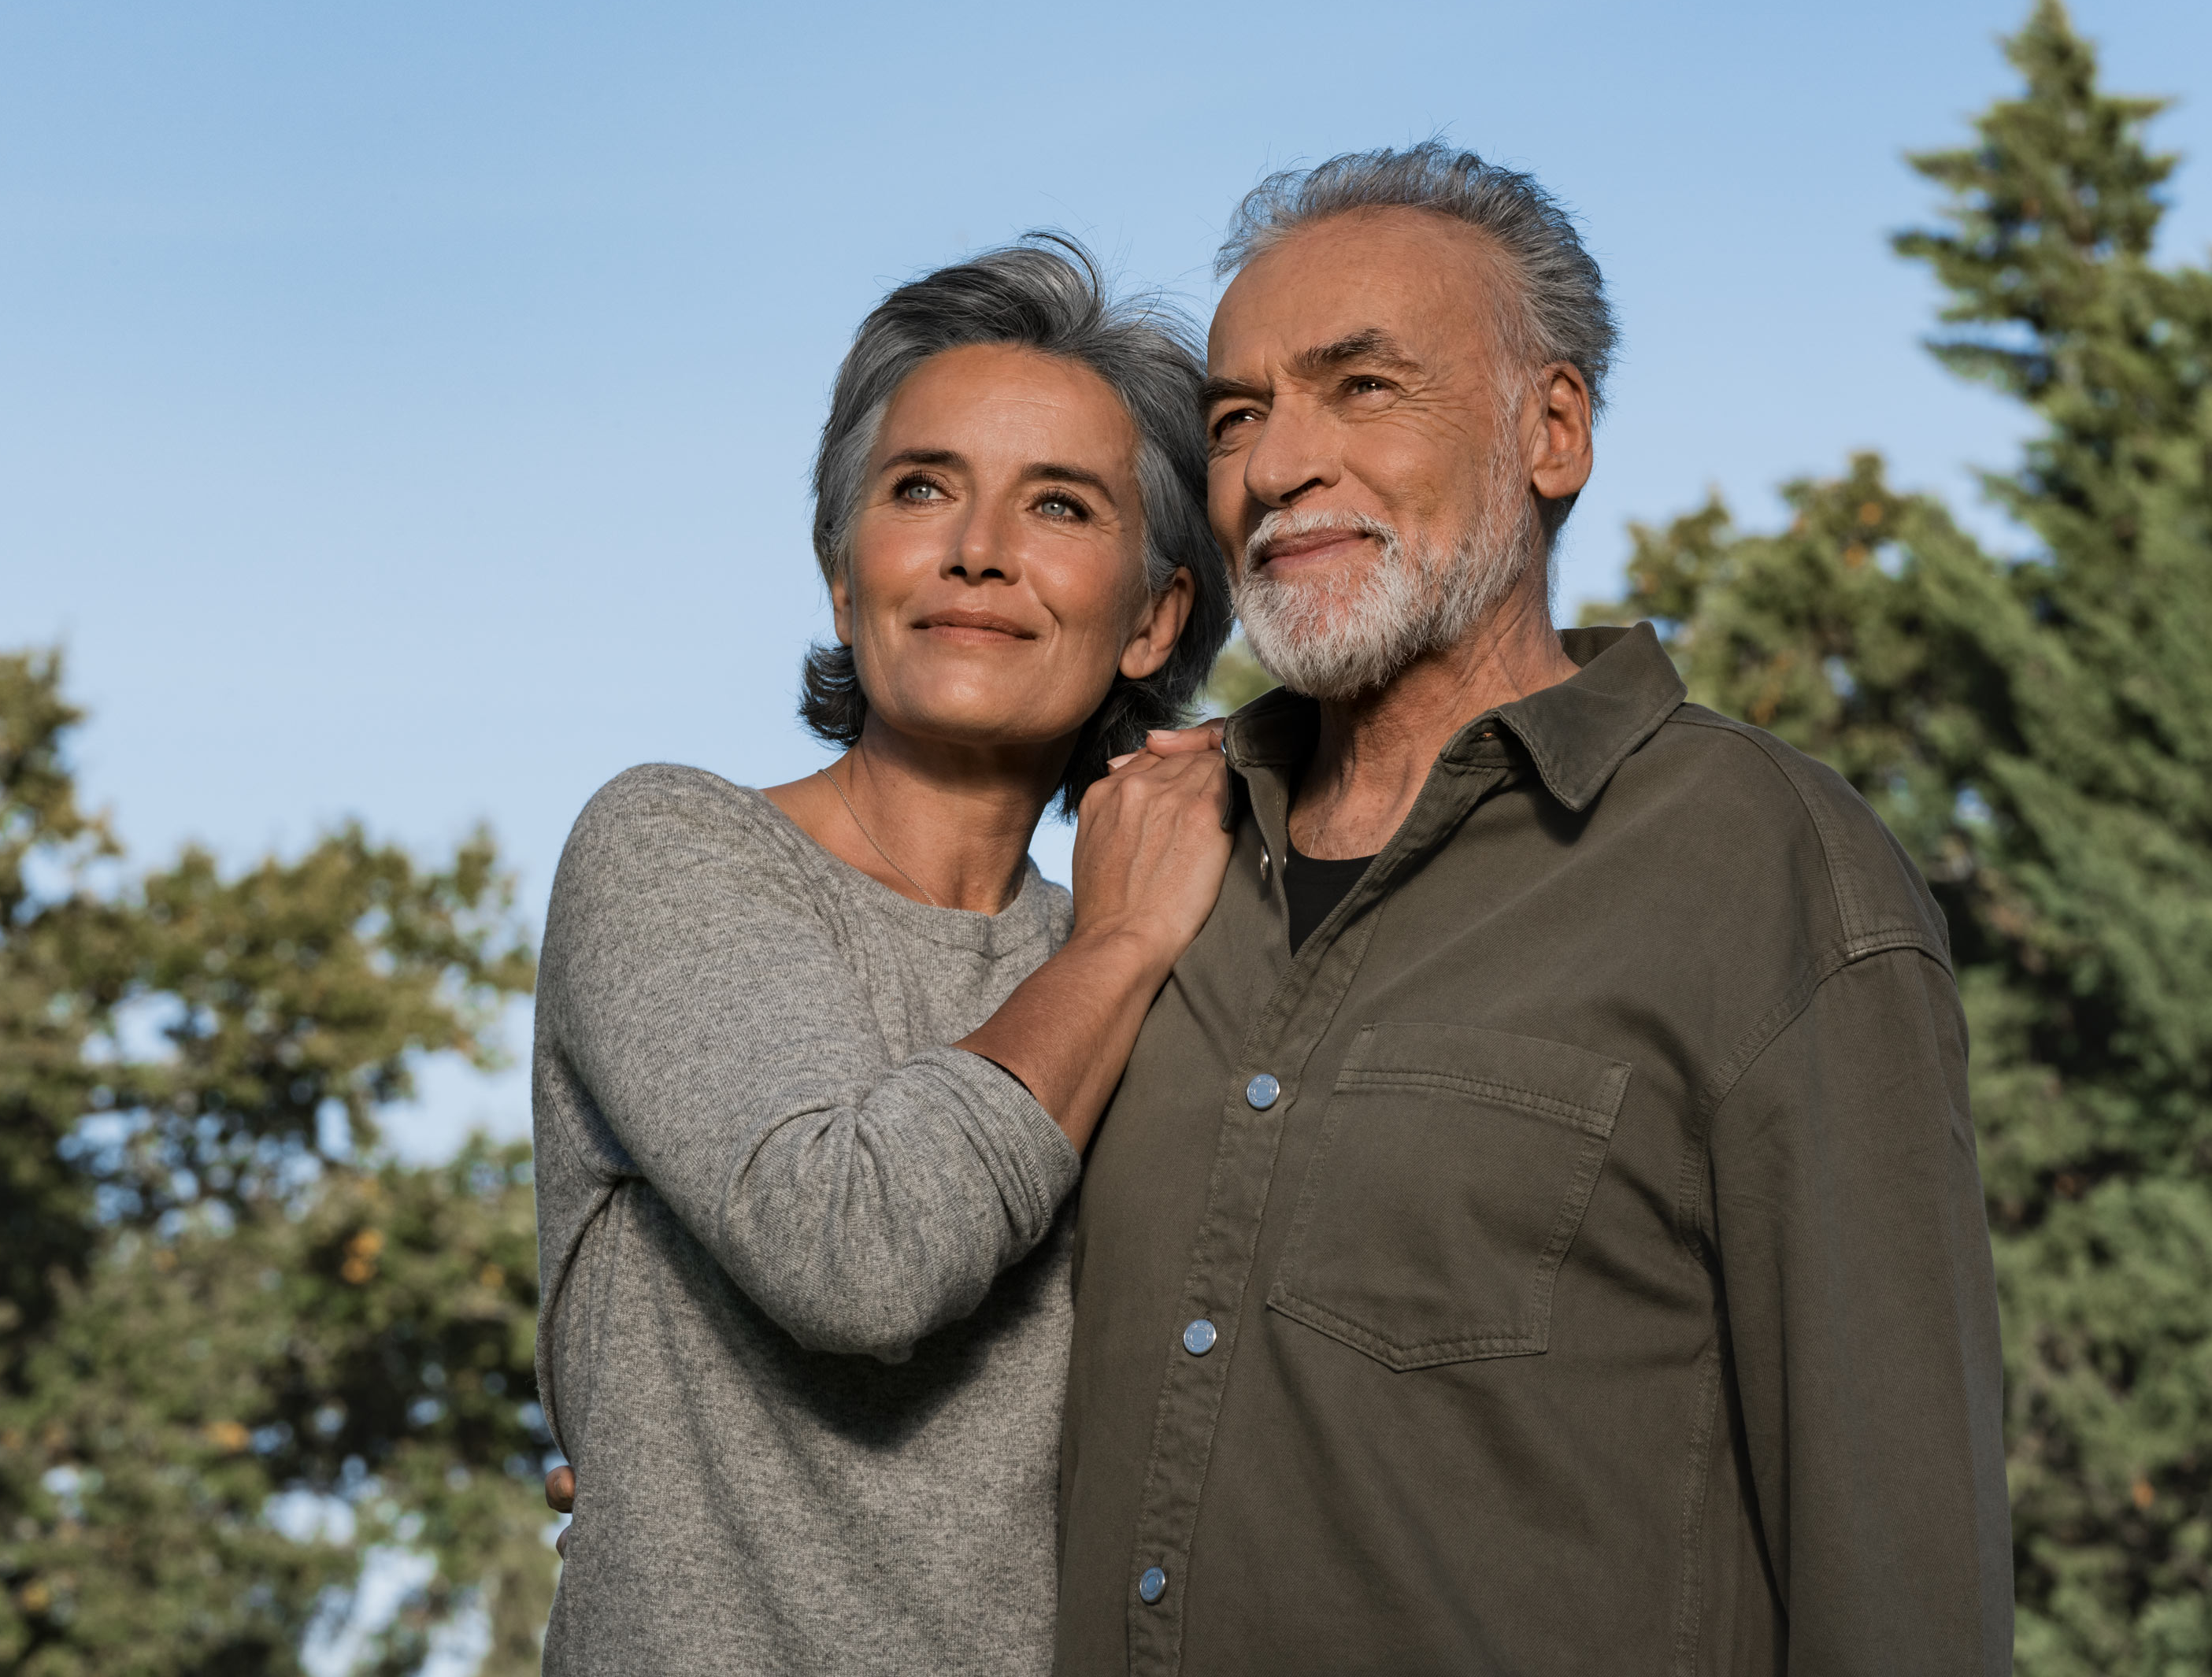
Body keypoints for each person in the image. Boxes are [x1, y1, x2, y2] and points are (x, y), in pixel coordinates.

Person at [1052, 144, 2013, 1675]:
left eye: (1362, 386)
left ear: (1551, 430)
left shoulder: (1764, 873)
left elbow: (1897, 1567)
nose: (1278, 464)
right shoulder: (1147, 860)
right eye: (1238, 416)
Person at [531, 237, 1234, 1675]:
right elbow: (856, 1251)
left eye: (1060, 504)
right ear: (845, 572)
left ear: (1154, 615)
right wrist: (1123, 937)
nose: (978, 547)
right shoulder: (669, 848)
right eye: (922, 488)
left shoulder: (1187, 970)